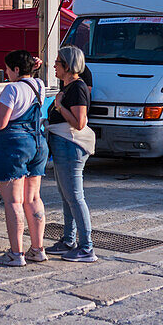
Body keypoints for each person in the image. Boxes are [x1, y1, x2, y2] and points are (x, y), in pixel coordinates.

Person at [0, 49, 47, 267]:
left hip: (13, 145)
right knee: (33, 198)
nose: (6, 73)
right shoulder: (39, 85)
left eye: (7, 68)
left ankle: (16, 254)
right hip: (37, 143)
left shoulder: (11, 89)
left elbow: (0, 123)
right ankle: (38, 249)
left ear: (16, 69)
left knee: (14, 201)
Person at [46, 44, 98, 262]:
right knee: (67, 197)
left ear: (67, 65)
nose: (54, 66)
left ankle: (87, 247)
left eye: (58, 62)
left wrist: (59, 107)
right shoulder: (69, 86)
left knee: (75, 198)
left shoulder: (76, 88)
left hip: (70, 146)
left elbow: (79, 122)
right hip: (63, 146)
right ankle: (69, 240)